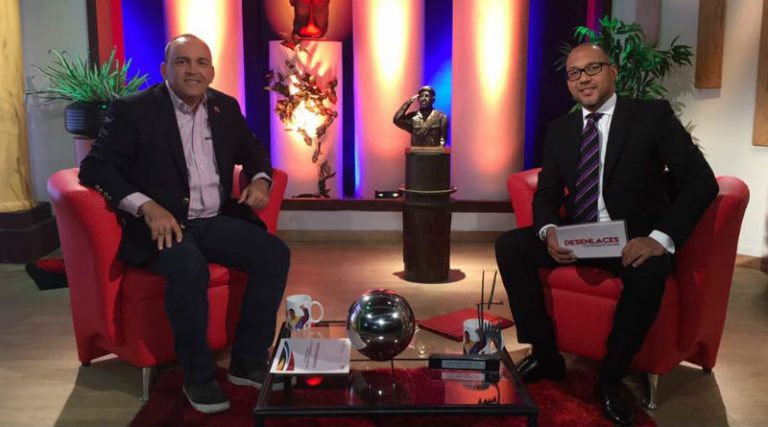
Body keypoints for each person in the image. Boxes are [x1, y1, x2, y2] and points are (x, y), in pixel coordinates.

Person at [495, 43, 718, 426]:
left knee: (650, 272)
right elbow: (547, 192)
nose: (583, 79)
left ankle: (611, 377)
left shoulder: (650, 115)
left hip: (634, 238)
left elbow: (701, 181)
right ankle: (546, 356)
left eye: (592, 68)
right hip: (579, 235)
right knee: (511, 246)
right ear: (568, 84)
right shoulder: (560, 130)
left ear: (612, 71)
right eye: (574, 73)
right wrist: (549, 230)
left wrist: (659, 238)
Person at [79, 34, 290, 414]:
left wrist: (260, 180)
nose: (193, 70)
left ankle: (247, 360)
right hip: (162, 226)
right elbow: (94, 168)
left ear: (212, 71)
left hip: (213, 219)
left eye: (201, 62)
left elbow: (255, 152)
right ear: (165, 69)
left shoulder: (225, 107)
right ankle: (198, 376)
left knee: (274, 253)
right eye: (182, 61)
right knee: (189, 268)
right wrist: (146, 207)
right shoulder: (133, 110)